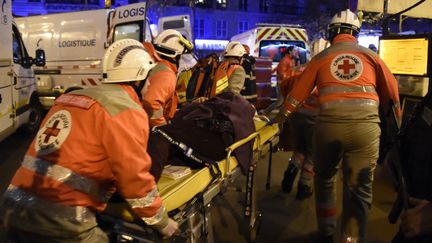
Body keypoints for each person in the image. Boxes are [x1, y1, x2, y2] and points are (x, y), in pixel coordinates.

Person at [0, 39, 178, 242]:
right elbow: (134, 179)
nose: (149, 86)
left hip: (12, 207)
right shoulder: (126, 109)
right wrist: (162, 223)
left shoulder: (71, 98)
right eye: (148, 80)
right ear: (137, 79)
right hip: (61, 219)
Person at [277, 9, 401, 243]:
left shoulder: (321, 58)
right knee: (359, 190)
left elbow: (296, 96)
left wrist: (280, 118)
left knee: (324, 179)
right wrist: (395, 126)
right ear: (356, 32)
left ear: (331, 32)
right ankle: (351, 239)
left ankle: (325, 232)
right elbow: (392, 95)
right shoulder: (371, 57)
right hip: (365, 130)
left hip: (328, 127)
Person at [281, 38, 330, 200]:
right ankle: (304, 186)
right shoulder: (326, 72)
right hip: (314, 118)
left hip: (296, 116)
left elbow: (285, 88)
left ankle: (292, 169)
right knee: (312, 153)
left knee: (300, 148)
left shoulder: (297, 69)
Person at [142, 29, 194, 127]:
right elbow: (152, 104)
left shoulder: (157, 65)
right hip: (149, 129)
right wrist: (162, 129)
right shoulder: (167, 75)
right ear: (174, 56)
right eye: (180, 56)